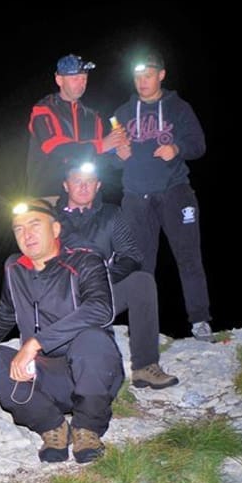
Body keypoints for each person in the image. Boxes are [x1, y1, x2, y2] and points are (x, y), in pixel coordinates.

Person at [0, 199, 123, 464]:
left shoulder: (85, 260)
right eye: (19, 229)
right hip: (45, 380)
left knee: (92, 339)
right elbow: (6, 314)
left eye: (34, 225)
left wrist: (35, 343)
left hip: (90, 374)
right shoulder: (14, 268)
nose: (26, 234)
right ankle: (52, 427)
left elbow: (100, 308)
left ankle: (87, 428)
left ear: (55, 229)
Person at [112, 52, 214, 342]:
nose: (142, 82)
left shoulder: (178, 108)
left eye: (148, 75)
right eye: (137, 77)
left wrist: (177, 148)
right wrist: (118, 156)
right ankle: (142, 328)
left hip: (175, 192)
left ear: (161, 75)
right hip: (136, 197)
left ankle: (200, 321)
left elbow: (198, 145)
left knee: (188, 257)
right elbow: (111, 160)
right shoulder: (122, 113)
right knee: (140, 265)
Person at [56, 160, 179, 389]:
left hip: (100, 291)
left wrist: (103, 280)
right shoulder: (49, 218)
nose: (83, 187)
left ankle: (144, 366)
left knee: (142, 281)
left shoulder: (111, 214)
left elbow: (131, 255)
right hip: (60, 297)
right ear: (66, 185)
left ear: (98, 185)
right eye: (77, 181)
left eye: (90, 181)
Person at [26, 54, 128, 202]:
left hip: (83, 195)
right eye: (75, 78)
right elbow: (55, 147)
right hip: (48, 195)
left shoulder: (93, 117)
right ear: (59, 80)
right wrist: (102, 145)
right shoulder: (44, 109)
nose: (81, 84)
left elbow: (96, 159)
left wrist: (119, 156)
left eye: (84, 79)